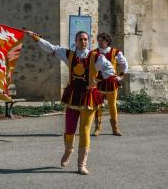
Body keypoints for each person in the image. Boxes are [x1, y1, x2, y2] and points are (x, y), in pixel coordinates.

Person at [26, 30, 120, 175]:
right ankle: (68, 151)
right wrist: (37, 39)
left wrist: (96, 80)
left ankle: (81, 164)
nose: (83, 42)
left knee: (85, 131)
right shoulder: (68, 54)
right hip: (73, 96)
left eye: (85, 39)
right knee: (70, 129)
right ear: (75, 41)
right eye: (80, 39)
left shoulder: (96, 57)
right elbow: (51, 48)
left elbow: (110, 69)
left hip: (89, 97)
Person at [93, 33, 128, 136]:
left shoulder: (115, 52)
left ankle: (115, 128)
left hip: (111, 83)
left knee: (112, 105)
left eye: (102, 40)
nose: (99, 42)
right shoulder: (94, 53)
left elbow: (125, 64)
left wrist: (120, 76)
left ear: (107, 41)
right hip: (98, 82)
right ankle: (97, 128)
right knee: (98, 105)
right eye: (98, 40)